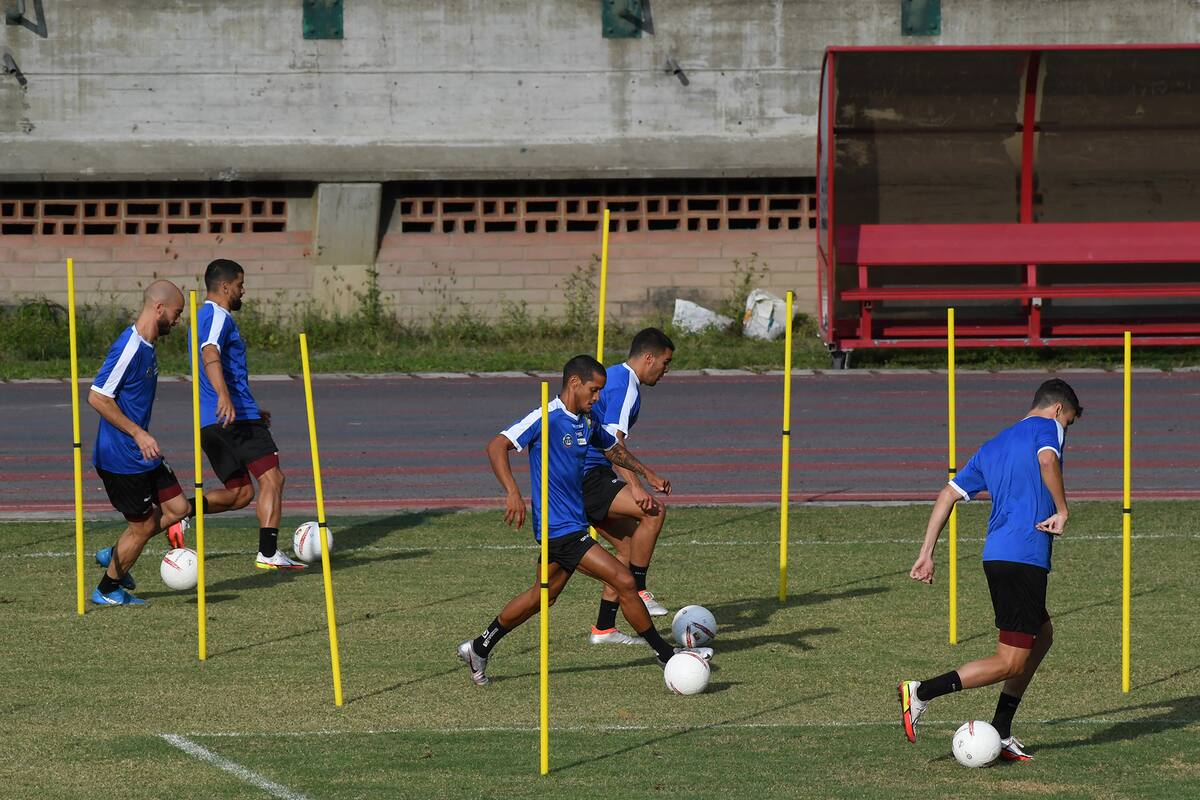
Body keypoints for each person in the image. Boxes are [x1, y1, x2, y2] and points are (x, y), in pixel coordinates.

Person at [457, 355, 706, 686]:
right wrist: (513, 492)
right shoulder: (546, 417)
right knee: (624, 580)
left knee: (542, 596)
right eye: (594, 390)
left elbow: (613, 450)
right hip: (559, 529)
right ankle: (666, 655)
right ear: (574, 383)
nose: (598, 398)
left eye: (600, 391)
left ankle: (478, 647)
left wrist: (647, 474)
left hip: (573, 523)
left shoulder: (586, 421)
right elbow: (496, 446)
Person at [898, 379, 1083, 761]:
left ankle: (1002, 728)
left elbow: (947, 494)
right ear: (1058, 410)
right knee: (1010, 661)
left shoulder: (993, 445)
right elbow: (1047, 461)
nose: (1066, 430)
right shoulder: (1049, 428)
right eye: (1069, 422)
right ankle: (921, 692)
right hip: (1023, 557)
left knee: (1042, 635)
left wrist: (926, 553)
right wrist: (1063, 510)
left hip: (997, 555)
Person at [186, 258, 302, 570]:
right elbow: (209, 351)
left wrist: (240, 402)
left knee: (240, 493)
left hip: (210, 422)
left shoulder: (199, 317)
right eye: (240, 285)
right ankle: (268, 553)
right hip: (233, 417)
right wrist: (225, 397)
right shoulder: (218, 316)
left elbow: (220, 365)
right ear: (225, 287)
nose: (243, 291)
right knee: (273, 478)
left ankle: (181, 511)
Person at [88, 281, 190, 605]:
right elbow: (97, 397)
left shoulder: (148, 346)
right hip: (121, 458)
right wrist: (138, 433)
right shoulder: (129, 347)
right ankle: (107, 590)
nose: (178, 320)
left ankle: (117, 551)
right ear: (159, 308)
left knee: (179, 508)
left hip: (143, 454)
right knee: (143, 528)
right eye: (176, 313)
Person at [582, 327, 675, 645]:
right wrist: (636, 485)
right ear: (648, 357)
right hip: (587, 475)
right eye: (665, 362)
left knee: (626, 548)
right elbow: (614, 443)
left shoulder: (616, 377)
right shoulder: (626, 387)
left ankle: (604, 629)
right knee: (653, 511)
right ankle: (639, 589)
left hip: (584, 475)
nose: (666, 370)